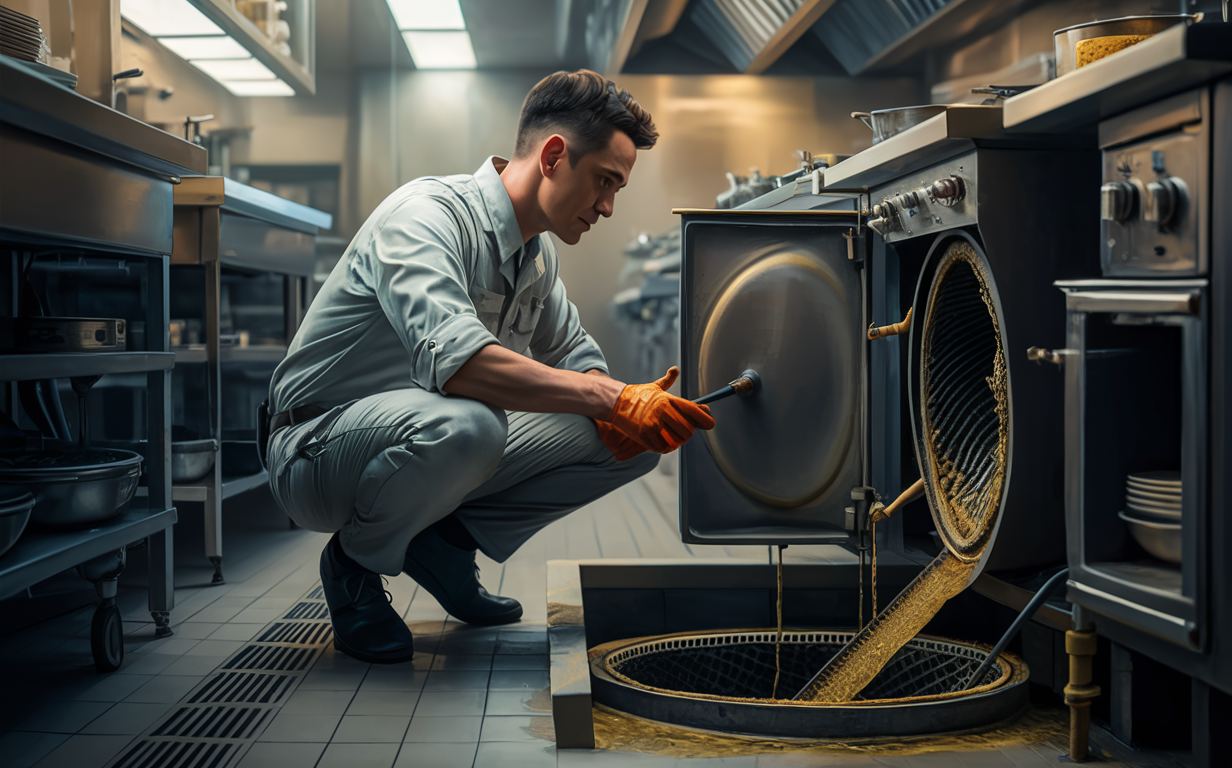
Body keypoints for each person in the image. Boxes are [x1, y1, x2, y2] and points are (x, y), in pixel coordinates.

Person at [263, 70, 716, 663]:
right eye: (604, 182)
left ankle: (446, 546)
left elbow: (580, 362)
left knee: (622, 437)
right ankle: (353, 566)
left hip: (421, 440)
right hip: (315, 448)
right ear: (554, 156)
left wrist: (627, 401)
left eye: (618, 190)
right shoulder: (426, 217)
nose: (607, 206)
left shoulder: (536, 255)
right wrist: (609, 396)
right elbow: (462, 369)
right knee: (476, 422)